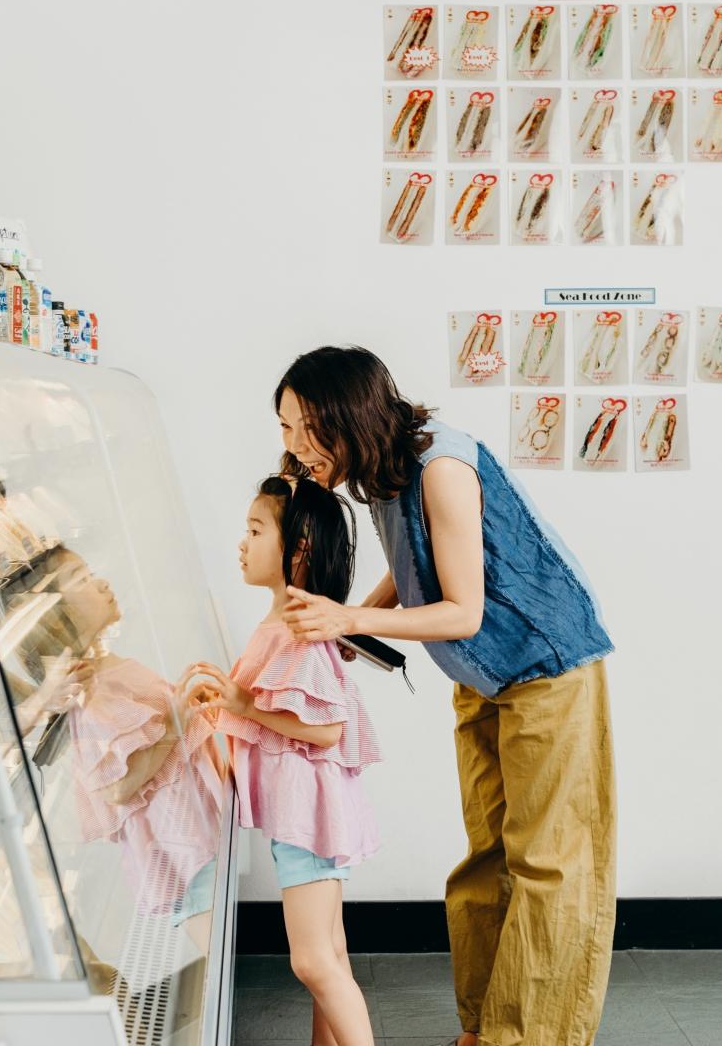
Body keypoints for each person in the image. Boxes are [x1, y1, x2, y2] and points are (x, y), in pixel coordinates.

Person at [273, 347, 616, 1046]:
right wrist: (350, 630)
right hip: (481, 678)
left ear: (343, 416)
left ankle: (525, 1039)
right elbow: (413, 567)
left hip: (546, 668)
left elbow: (462, 610)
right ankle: (484, 1026)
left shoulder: (443, 468)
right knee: (486, 858)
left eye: (298, 426)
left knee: (549, 864)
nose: (290, 446)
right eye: (283, 428)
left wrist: (353, 619)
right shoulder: (383, 474)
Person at [185, 476, 381, 1046]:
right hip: (307, 811)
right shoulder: (280, 623)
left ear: (297, 549)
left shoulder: (297, 627)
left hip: (310, 815)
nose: (241, 544)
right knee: (330, 956)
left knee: (314, 963)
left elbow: (327, 728)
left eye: (254, 530)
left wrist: (241, 703)